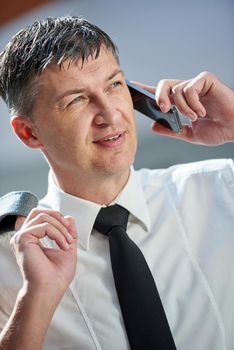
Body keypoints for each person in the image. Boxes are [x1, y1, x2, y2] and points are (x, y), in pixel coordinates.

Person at [0, 16, 233, 350]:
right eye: (76, 100)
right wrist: (35, 300)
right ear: (29, 132)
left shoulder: (221, 188)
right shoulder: (7, 265)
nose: (110, 114)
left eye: (114, 85)